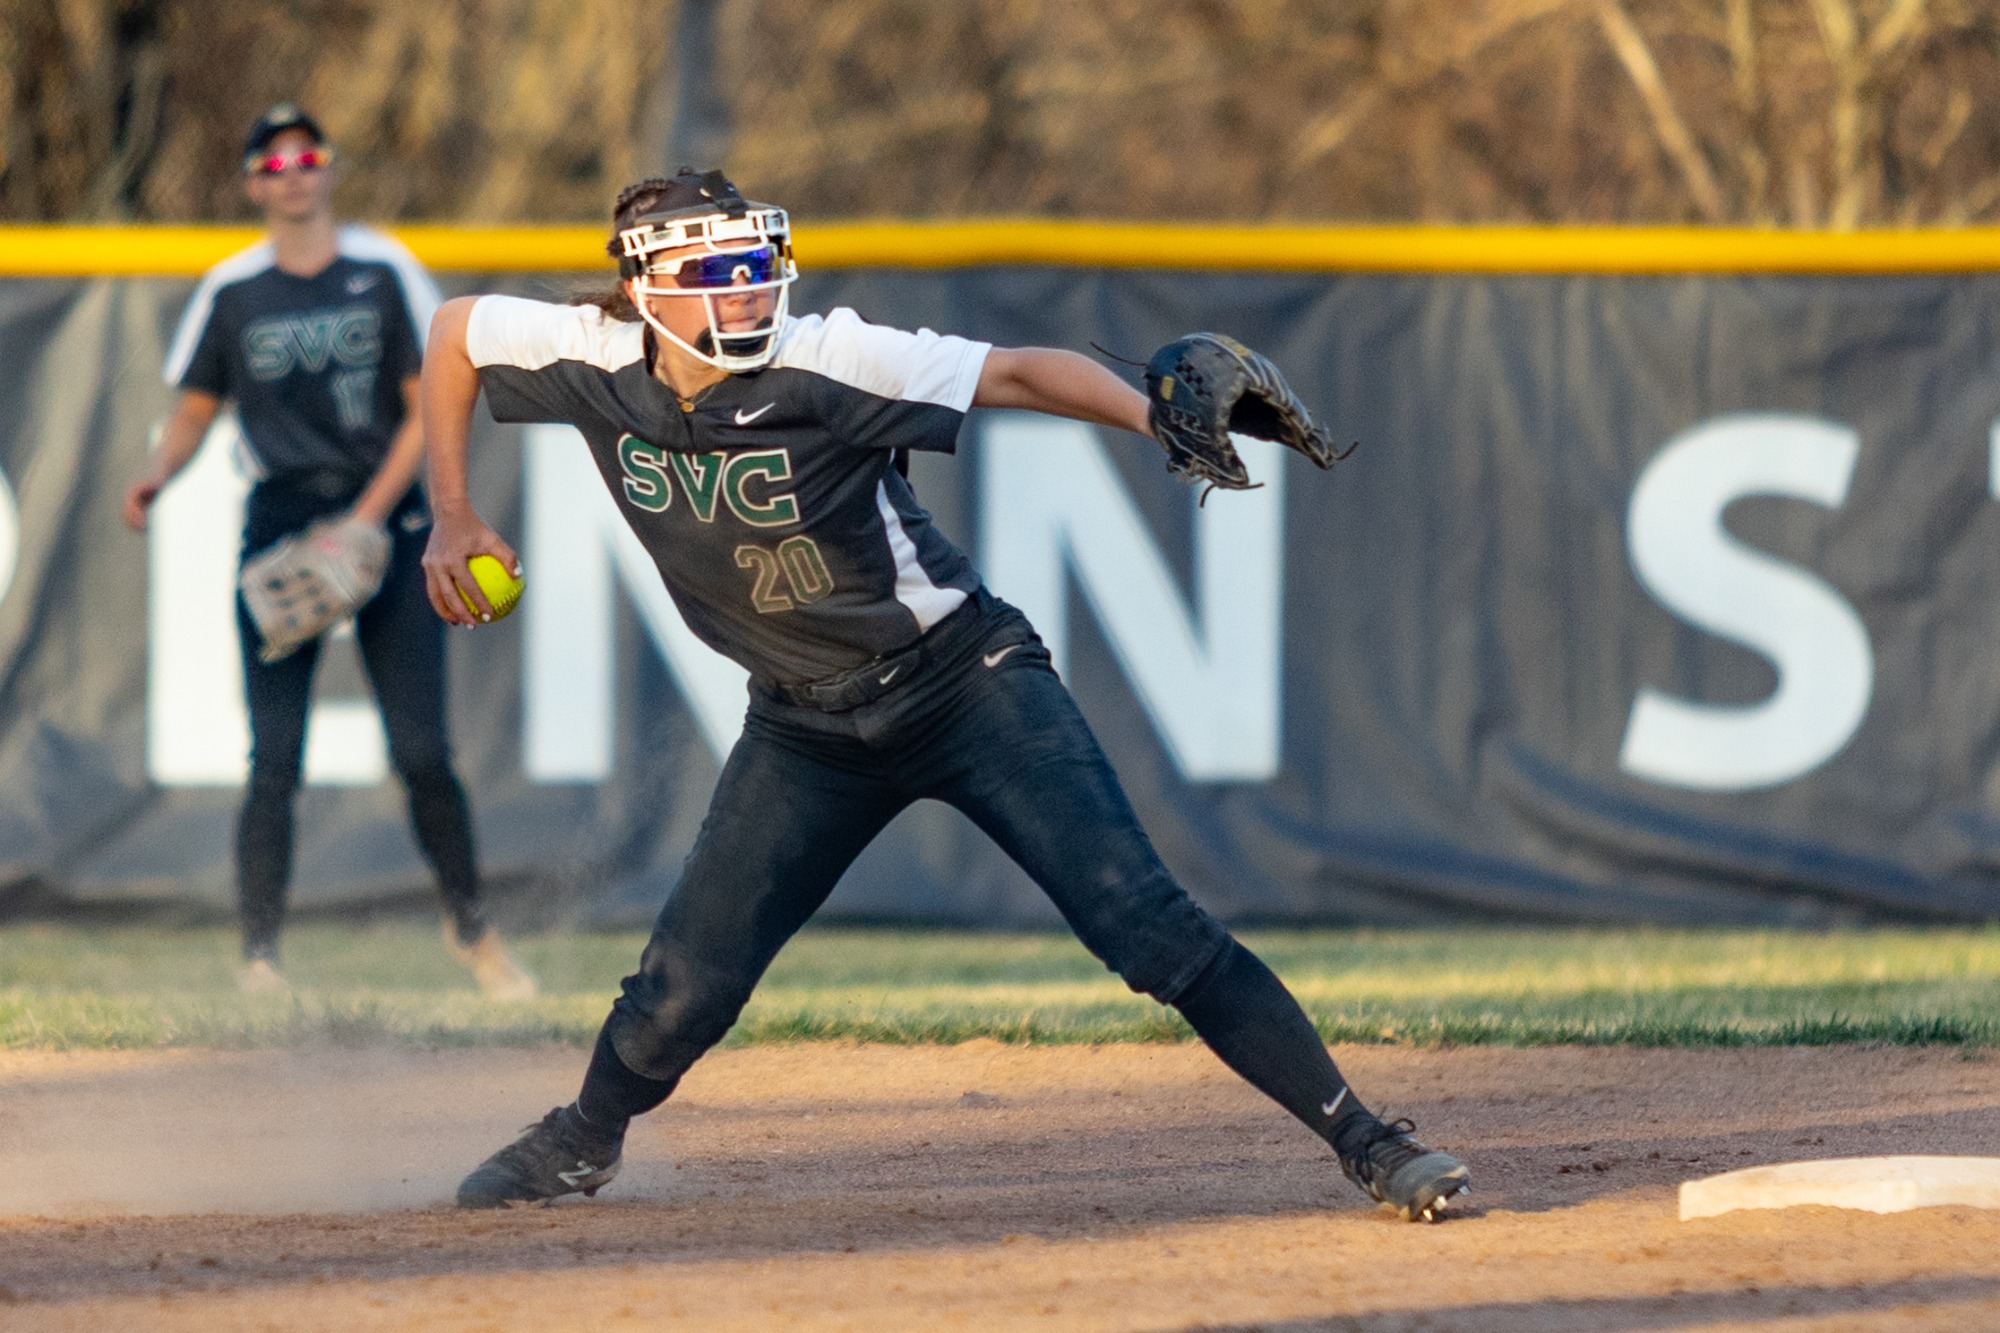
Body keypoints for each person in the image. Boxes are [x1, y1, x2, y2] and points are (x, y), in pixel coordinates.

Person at [423, 168, 1470, 1221]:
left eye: (754, 265)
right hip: (803, 723)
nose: (744, 291)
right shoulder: (585, 353)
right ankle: (582, 1138)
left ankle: (1369, 1141)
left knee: (1146, 924)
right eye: (712, 272)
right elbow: (455, 329)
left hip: (963, 685)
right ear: (646, 288)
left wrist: (1157, 425)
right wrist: (453, 511)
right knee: (680, 991)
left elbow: (1018, 372)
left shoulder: (825, 355)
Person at [123, 104, 535, 1002]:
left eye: (308, 155)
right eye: (273, 161)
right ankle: (260, 959)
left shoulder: (384, 270)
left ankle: (474, 932)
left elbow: (429, 401)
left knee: (423, 750)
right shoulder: (233, 288)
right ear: (250, 183)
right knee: (274, 758)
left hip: (388, 526)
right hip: (281, 523)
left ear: (329, 169)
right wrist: (157, 473)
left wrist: (367, 519)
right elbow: (196, 408)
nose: (293, 172)